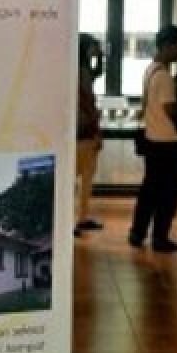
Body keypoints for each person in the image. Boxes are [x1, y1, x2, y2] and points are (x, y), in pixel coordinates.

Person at [129, 24, 177, 252]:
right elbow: (170, 110)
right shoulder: (163, 76)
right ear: (167, 46)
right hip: (169, 143)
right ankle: (160, 237)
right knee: (167, 193)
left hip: (153, 139)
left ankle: (137, 232)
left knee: (149, 189)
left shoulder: (150, 69)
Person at [75, 34, 104, 237]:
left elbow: (97, 74)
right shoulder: (82, 71)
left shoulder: (76, 68)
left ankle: (79, 219)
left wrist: (100, 57)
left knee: (80, 177)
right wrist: (96, 126)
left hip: (78, 128)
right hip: (85, 128)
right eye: (94, 47)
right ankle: (80, 218)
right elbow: (86, 99)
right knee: (85, 176)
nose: (95, 50)